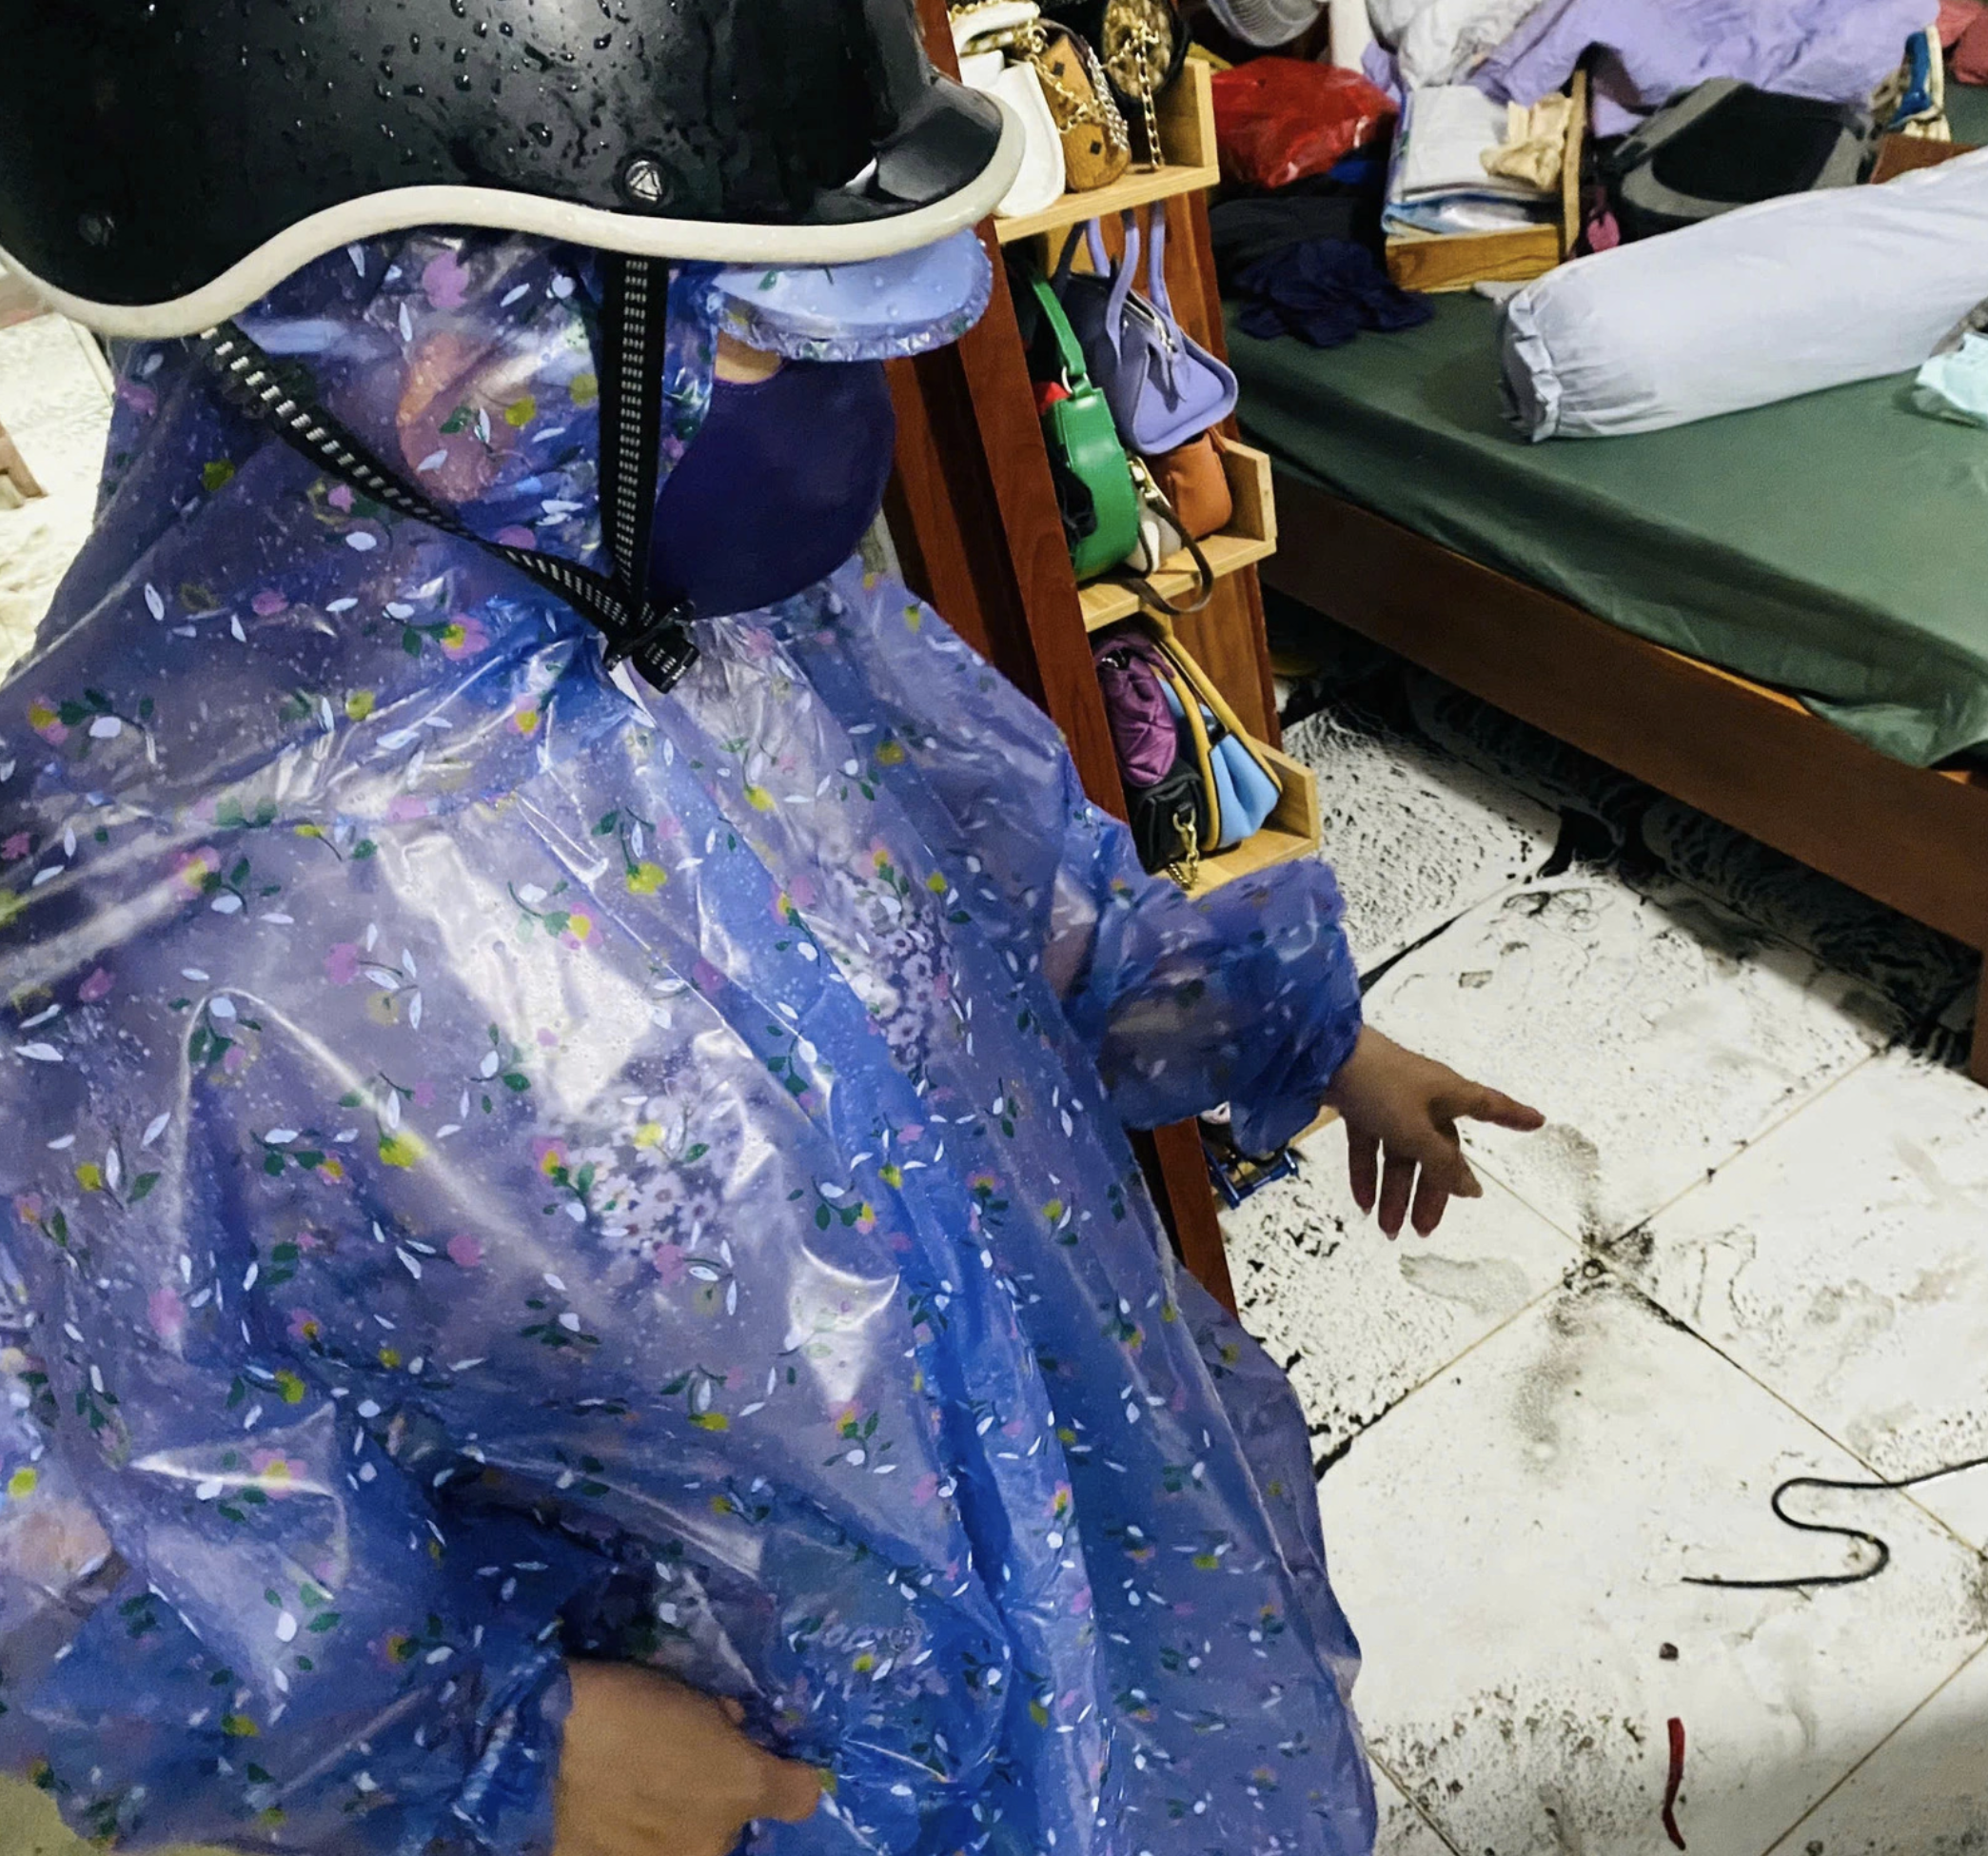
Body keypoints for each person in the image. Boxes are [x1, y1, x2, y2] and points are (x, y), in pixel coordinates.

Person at [0, 6, 1540, 1854]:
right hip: (756, 1771)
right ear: (435, 346)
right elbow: (90, 1514)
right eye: (759, 336)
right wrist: (507, 1748)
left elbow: (1015, 893)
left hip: (1084, 1542)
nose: (847, 411)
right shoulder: (141, 936)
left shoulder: (724, 620)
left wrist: (1307, 1034)